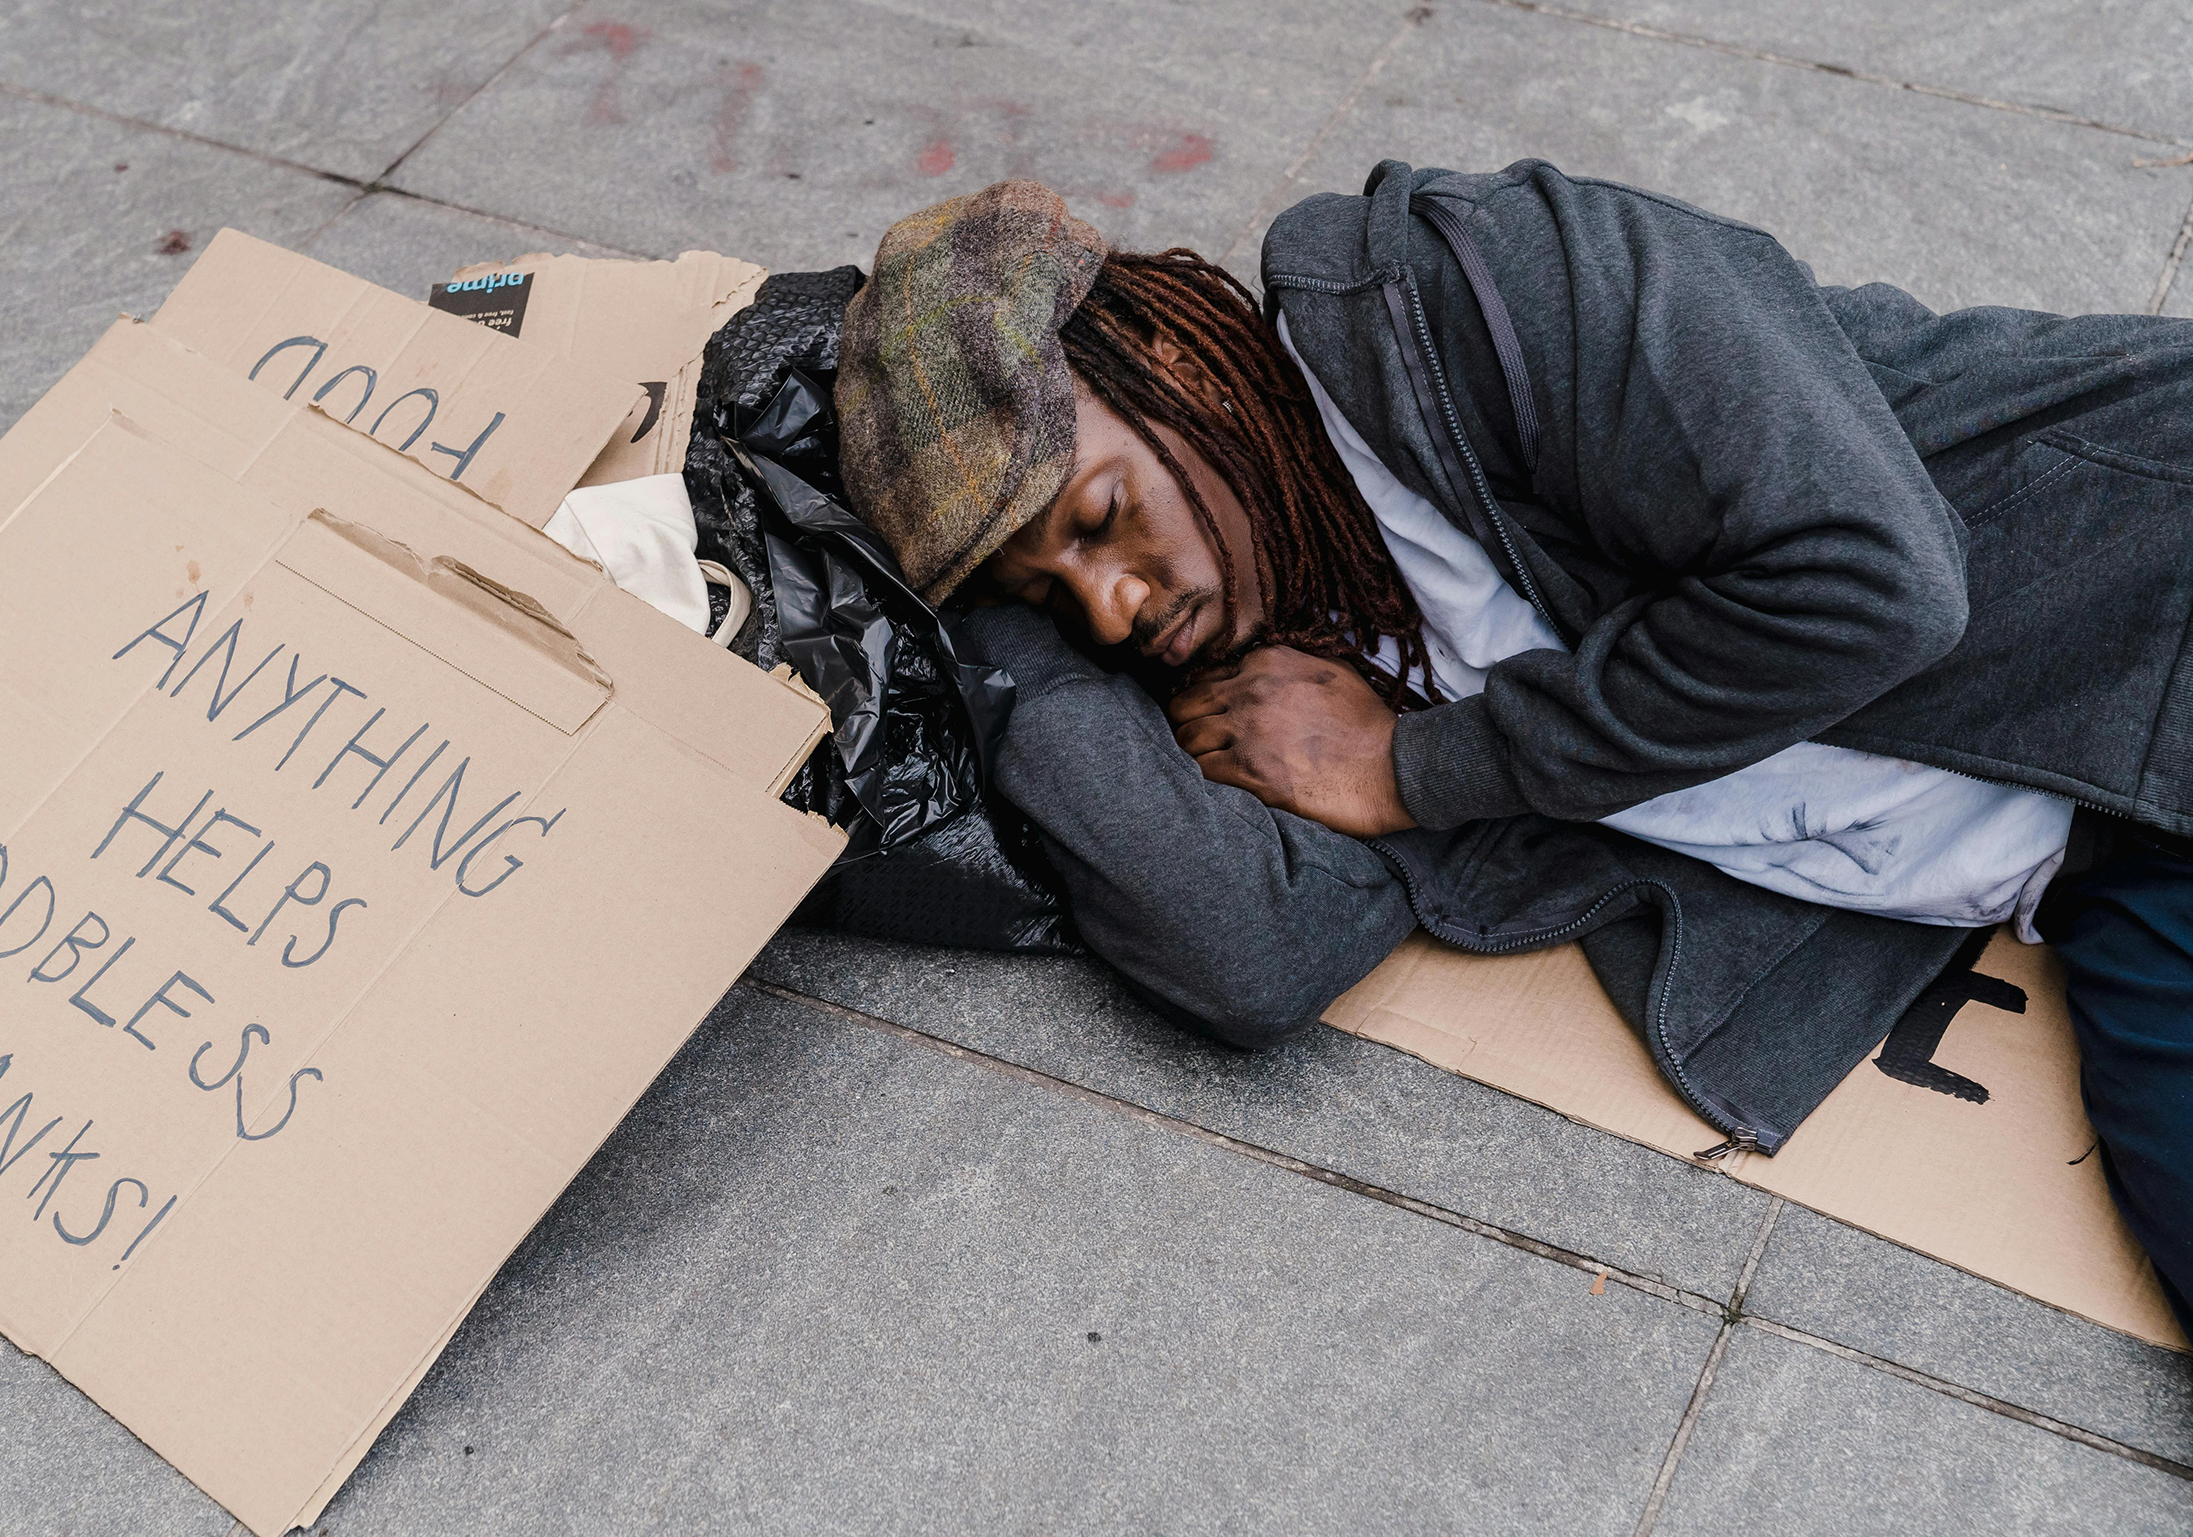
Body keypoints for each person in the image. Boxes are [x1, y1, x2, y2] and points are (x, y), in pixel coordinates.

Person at [829, 169, 2193, 1329]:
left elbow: (1877, 588)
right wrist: (981, 630)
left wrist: (1416, 772)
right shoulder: (1299, 647)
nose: (1116, 605)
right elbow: (1247, 949)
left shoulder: (1481, 288)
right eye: (1056, 594)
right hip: (2097, 872)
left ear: (1179, 367)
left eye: (1098, 515)